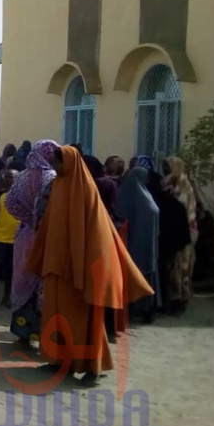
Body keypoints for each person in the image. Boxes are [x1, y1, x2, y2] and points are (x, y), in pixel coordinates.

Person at [26, 146, 153, 386]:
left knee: (85, 322)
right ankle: (59, 361)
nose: (54, 167)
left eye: (57, 163)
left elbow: (98, 235)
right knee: (56, 316)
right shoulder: (58, 186)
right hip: (57, 267)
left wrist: (88, 270)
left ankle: (93, 367)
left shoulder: (86, 191)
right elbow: (47, 226)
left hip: (81, 269)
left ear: (69, 163)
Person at [4, 139, 59, 345]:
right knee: (41, 283)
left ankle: (23, 332)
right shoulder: (52, 177)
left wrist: (27, 218)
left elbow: (9, 203)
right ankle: (41, 334)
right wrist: (37, 220)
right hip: (44, 236)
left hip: (25, 235)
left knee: (22, 280)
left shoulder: (23, 176)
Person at [116, 167, 161, 323]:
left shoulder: (145, 194)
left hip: (148, 244)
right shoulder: (126, 195)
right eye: (145, 177)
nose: (147, 180)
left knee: (146, 275)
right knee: (135, 275)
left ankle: (146, 308)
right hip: (133, 244)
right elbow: (121, 217)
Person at [161, 156, 199, 313]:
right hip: (181, 230)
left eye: (167, 166)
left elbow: (180, 206)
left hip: (182, 231)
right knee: (178, 265)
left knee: (181, 265)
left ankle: (180, 299)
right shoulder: (173, 181)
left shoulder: (180, 182)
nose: (164, 169)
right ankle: (178, 297)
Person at [0, 169, 19, 308]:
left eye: (11, 177)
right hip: (0, 237)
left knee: (10, 269)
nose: (7, 180)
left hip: (16, 239)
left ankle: (7, 296)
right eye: (6, 177)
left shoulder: (22, 195)